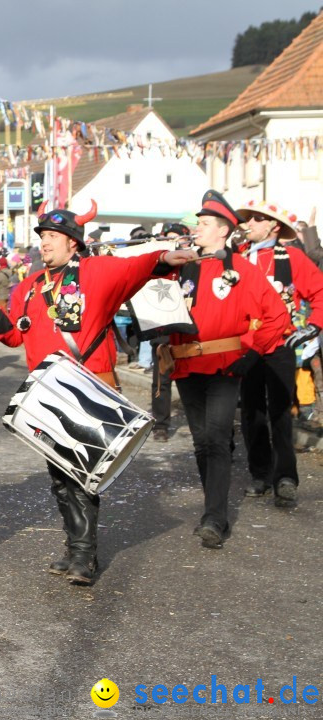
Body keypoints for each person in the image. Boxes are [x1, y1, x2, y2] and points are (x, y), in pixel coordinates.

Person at [0, 201, 197, 584]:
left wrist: (165, 255)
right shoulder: (29, 286)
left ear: (74, 243)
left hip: (90, 389)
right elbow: (12, 335)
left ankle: (84, 556)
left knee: (83, 473)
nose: (45, 243)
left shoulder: (98, 272)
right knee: (60, 476)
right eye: (42, 236)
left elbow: (138, 266)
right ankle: (75, 546)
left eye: (53, 237)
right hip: (49, 395)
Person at [159, 191, 288, 548]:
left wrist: (250, 354)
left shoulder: (241, 270)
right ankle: (212, 507)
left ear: (223, 231)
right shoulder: (182, 267)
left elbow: (278, 316)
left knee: (216, 439)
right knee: (202, 443)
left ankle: (215, 518)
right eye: (197, 223)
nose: (196, 229)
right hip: (186, 366)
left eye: (203, 224)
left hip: (223, 367)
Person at [235, 199, 323, 507]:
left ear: (273, 226)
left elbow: (320, 290)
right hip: (247, 344)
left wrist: (313, 326)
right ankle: (260, 473)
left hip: (281, 345)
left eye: (258, 220)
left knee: (281, 412)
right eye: (250, 219)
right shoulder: (238, 258)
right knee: (251, 412)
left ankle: (286, 476)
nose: (250, 224)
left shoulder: (293, 257)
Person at [147, 222, 192, 442]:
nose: (172, 243)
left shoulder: (193, 264)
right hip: (165, 330)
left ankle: (198, 422)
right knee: (161, 381)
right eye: (168, 239)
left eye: (177, 239)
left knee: (192, 381)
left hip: (189, 331)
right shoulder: (162, 266)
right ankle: (161, 424)